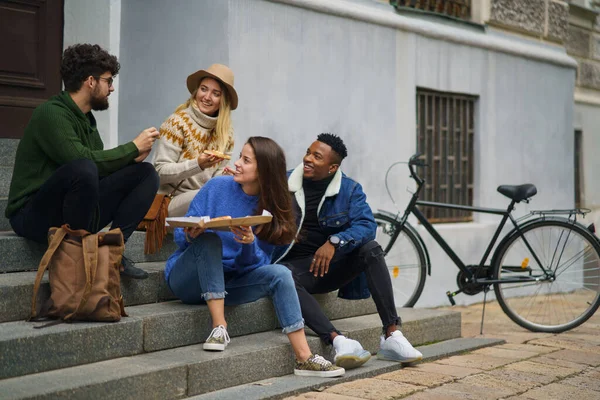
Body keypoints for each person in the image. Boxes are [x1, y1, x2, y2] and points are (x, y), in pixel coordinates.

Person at [165, 136, 344, 378]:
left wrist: (248, 244)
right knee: (209, 240)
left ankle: (304, 357)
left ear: (263, 171)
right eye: (240, 157)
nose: (237, 163)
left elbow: (256, 265)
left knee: (281, 273)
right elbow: (178, 237)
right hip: (188, 280)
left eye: (246, 160)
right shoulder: (217, 187)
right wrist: (190, 234)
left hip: (231, 281)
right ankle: (219, 327)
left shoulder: (272, 207)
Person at [5, 43, 159, 280]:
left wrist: (131, 158)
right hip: (31, 215)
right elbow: (81, 162)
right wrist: (130, 148)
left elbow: (96, 170)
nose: (112, 88)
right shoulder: (51, 114)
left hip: (73, 209)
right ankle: (77, 258)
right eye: (108, 80)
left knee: (145, 173)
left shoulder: (86, 119)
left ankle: (113, 251)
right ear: (90, 81)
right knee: (83, 167)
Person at [274, 133, 423, 369]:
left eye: (317, 156)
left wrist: (334, 242)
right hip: (296, 270)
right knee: (283, 274)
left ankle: (392, 335)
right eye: (308, 152)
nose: (308, 159)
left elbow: (366, 226)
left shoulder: (350, 189)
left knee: (371, 248)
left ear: (332, 167)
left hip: (331, 267)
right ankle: (338, 340)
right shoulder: (284, 183)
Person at [153, 64, 236, 217]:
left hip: (205, 199)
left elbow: (216, 181)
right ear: (196, 91)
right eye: (203, 89)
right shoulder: (177, 122)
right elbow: (160, 173)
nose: (206, 97)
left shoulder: (226, 134)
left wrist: (229, 178)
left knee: (237, 193)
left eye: (215, 93)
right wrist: (197, 164)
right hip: (170, 201)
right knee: (210, 196)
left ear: (223, 100)